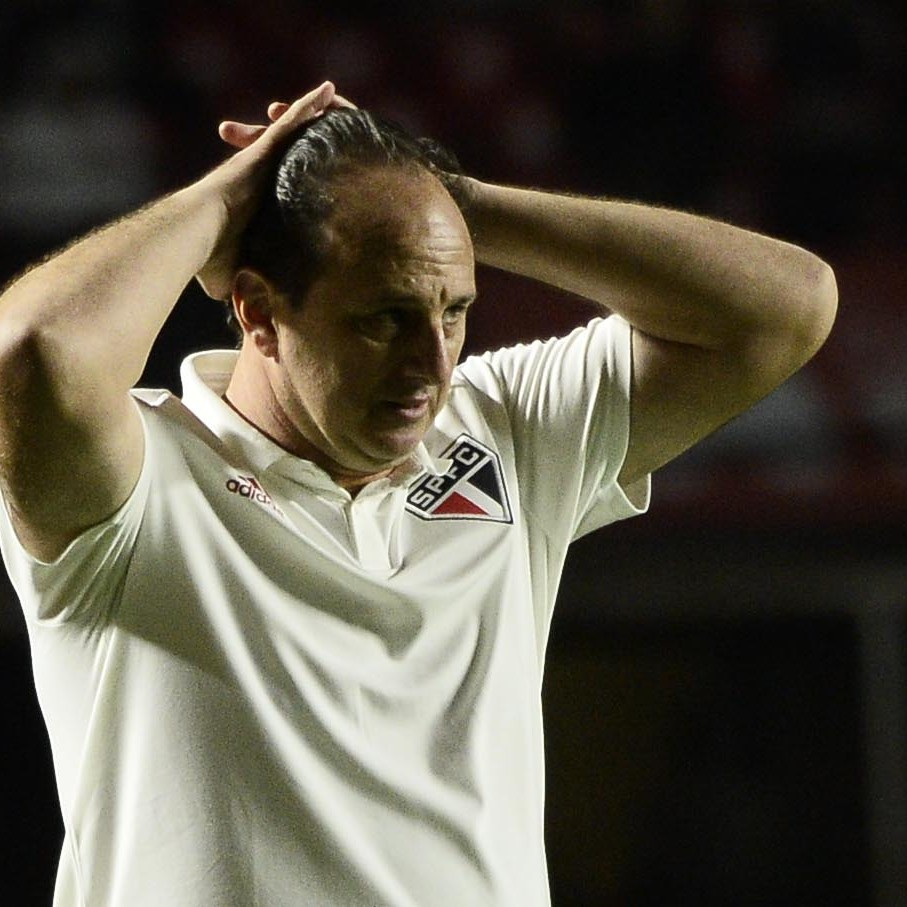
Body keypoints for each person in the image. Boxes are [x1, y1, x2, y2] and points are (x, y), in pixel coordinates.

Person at [0, 81, 837, 906]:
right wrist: (226, 200)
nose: (431, 364)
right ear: (256, 312)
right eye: (385, 318)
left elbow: (785, 306)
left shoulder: (504, 429)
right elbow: (30, 347)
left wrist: (442, 203)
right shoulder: (138, 481)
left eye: (454, 312)